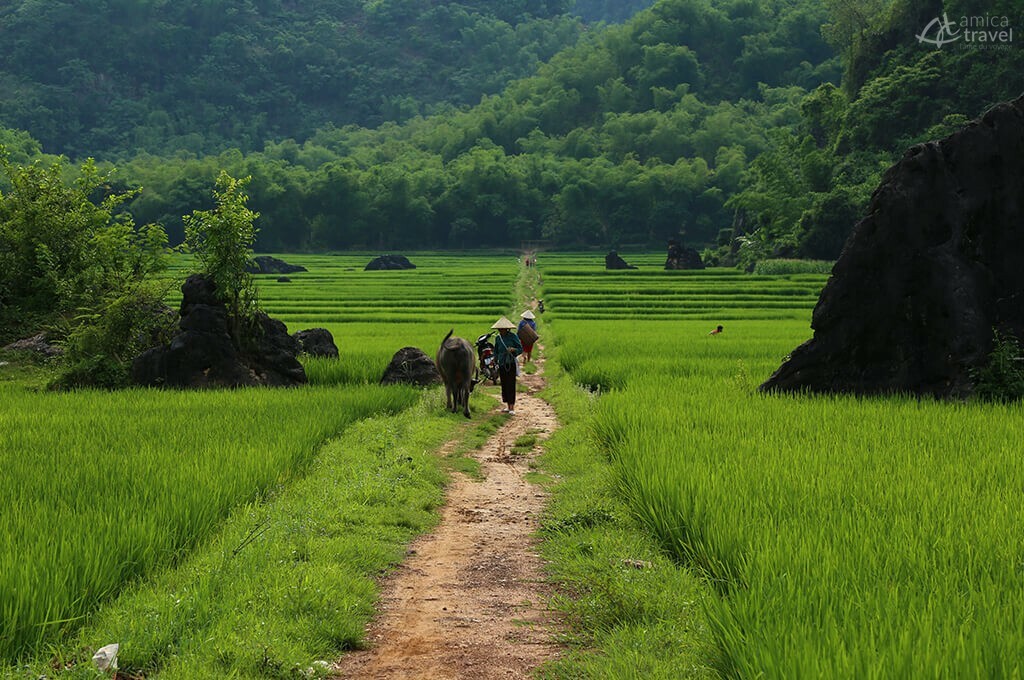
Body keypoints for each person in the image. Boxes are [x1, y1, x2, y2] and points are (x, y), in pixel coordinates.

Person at [491, 316, 522, 415]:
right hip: (502, 364)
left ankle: (512, 407)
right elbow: (496, 351)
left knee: (511, 384)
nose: (501, 330)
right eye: (499, 329)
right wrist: (494, 360)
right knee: (504, 384)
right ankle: (507, 406)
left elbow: (520, 348)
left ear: (506, 329)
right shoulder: (498, 338)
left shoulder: (513, 337)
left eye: (502, 329)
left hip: (510, 363)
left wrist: (513, 350)